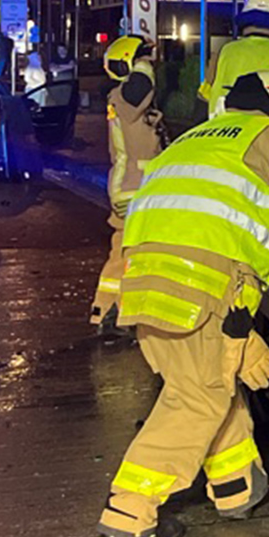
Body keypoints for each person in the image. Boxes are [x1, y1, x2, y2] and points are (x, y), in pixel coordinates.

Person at [96, 71, 269, 537]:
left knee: (207, 384)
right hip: (202, 288)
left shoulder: (191, 140)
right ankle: (130, 510)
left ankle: (235, 487)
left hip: (144, 286)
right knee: (198, 401)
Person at [90, 36, 168, 331]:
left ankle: (107, 310)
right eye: (143, 61)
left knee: (122, 253)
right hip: (138, 189)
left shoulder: (121, 101)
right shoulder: (126, 98)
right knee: (141, 255)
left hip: (130, 189)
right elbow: (140, 88)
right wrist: (144, 63)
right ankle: (130, 313)